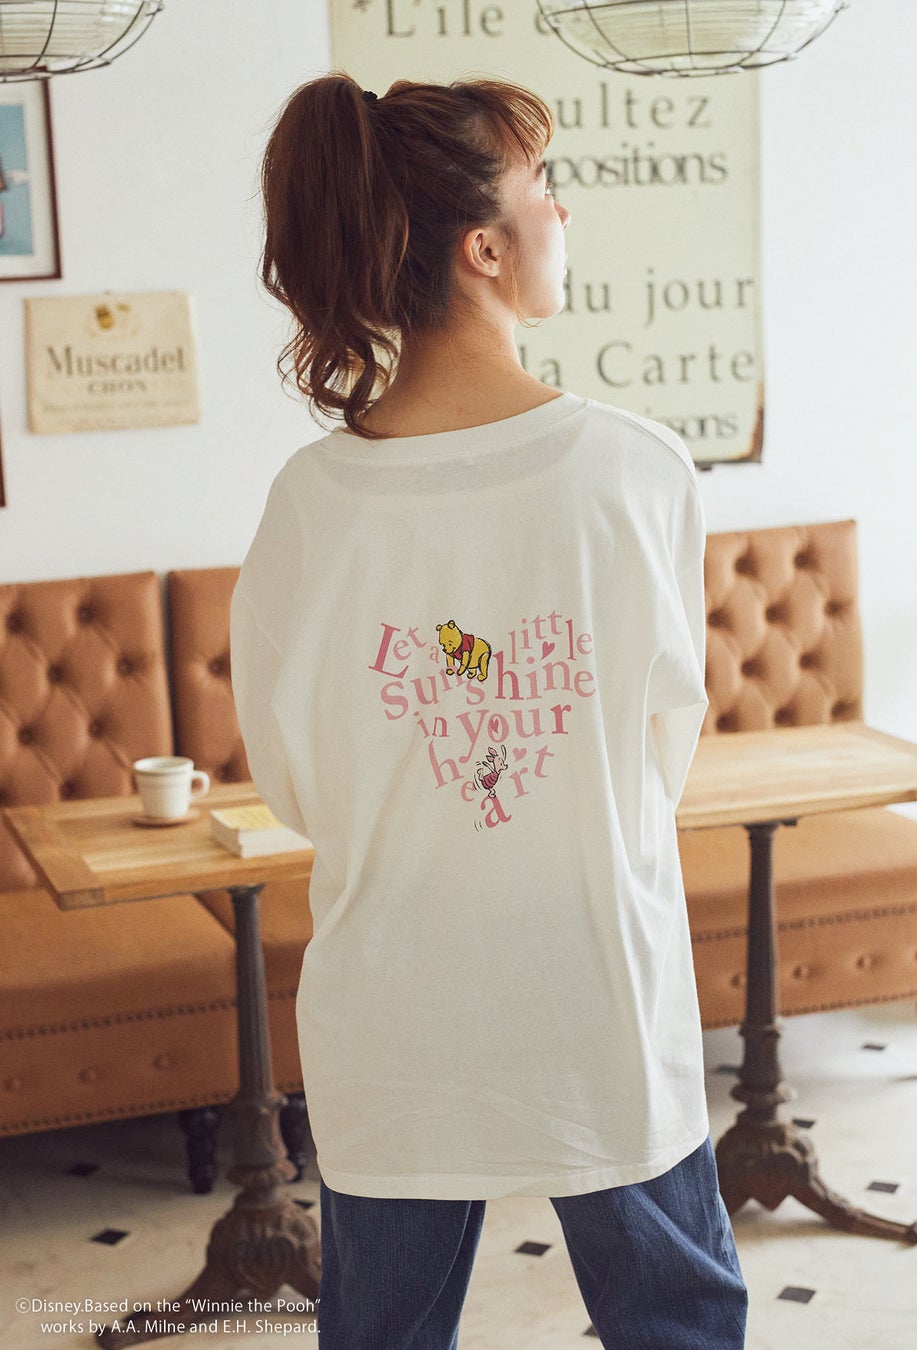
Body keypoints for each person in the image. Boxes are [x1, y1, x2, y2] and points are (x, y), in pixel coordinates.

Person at [231, 71, 748, 1350]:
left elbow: (295, 783)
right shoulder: (635, 471)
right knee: (678, 1320)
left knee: (384, 1333)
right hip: (596, 985)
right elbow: (656, 752)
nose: (561, 212)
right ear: (484, 247)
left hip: (393, 1008)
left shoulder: (311, 503)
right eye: (543, 189)